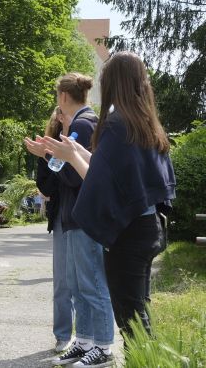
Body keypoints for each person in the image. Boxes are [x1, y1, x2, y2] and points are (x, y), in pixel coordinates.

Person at [40, 52, 175, 358]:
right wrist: (75, 151)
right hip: (149, 226)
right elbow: (113, 173)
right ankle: (144, 359)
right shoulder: (145, 121)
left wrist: (72, 157)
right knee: (139, 307)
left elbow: (101, 183)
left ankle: (142, 361)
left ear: (112, 82)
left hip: (129, 235)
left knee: (129, 313)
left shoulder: (116, 124)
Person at [26, 73, 115, 367]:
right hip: (75, 216)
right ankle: (85, 341)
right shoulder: (87, 121)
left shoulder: (81, 123)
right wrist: (50, 154)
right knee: (79, 285)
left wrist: (48, 153)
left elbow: (73, 176)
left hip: (83, 217)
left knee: (91, 284)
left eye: (56, 96)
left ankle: (102, 346)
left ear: (63, 96)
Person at [32, 107, 74, 353]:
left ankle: (87, 336)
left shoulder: (85, 139)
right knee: (62, 281)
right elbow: (46, 188)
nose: (61, 119)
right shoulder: (44, 152)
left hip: (84, 217)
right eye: (58, 117)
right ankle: (62, 335)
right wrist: (52, 157)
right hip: (60, 217)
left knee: (84, 281)